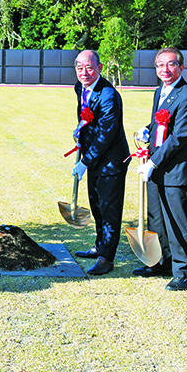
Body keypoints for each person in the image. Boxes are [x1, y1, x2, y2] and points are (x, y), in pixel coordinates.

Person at [134, 48, 187, 290]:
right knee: (157, 218)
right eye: (160, 65)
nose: (165, 70)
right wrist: (146, 130)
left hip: (175, 169)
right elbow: (159, 125)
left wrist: (152, 161)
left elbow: (180, 136)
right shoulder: (160, 91)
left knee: (178, 221)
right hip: (156, 168)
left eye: (171, 65)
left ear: (181, 68)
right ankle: (162, 262)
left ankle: (184, 272)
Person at [70, 50, 130, 276]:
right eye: (79, 68)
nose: (84, 73)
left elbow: (106, 134)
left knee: (109, 210)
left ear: (100, 67)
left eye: (89, 68)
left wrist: (85, 161)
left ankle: (107, 258)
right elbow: (86, 117)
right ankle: (99, 246)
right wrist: (80, 132)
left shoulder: (109, 96)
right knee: (96, 206)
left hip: (111, 162)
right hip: (93, 158)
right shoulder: (80, 88)